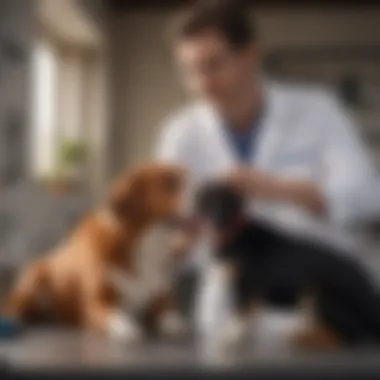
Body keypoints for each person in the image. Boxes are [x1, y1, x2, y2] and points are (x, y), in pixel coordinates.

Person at [155, 0, 379, 346]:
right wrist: (184, 229)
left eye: (213, 65)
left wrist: (275, 188)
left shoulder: (318, 111)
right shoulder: (180, 133)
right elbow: (172, 220)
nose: (202, 83)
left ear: (250, 56)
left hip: (318, 298)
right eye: (190, 71)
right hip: (226, 305)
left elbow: (366, 195)